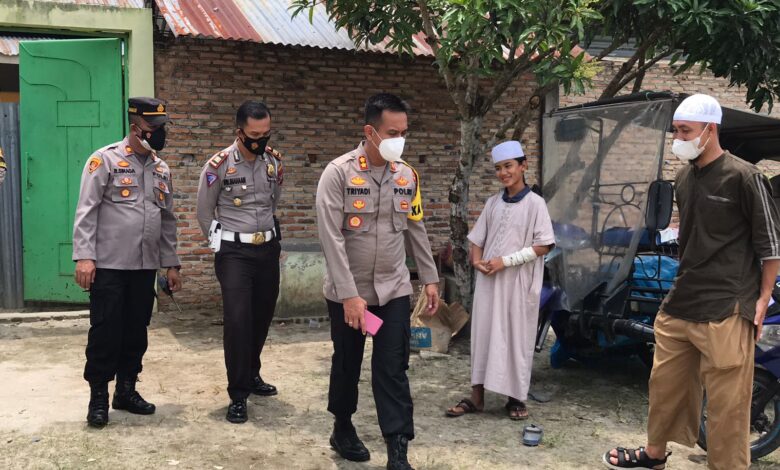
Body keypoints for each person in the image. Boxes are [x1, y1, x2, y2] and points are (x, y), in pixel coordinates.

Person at [603, 94, 780, 470]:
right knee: (665, 385)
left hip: (727, 305)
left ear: (710, 130)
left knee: (728, 403)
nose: (678, 138)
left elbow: (770, 246)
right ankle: (654, 455)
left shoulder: (745, 177)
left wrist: (763, 297)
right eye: (676, 131)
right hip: (682, 300)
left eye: (685, 131)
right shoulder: (684, 177)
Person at [316, 93, 440, 470]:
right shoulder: (338, 173)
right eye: (392, 133)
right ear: (370, 131)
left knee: (392, 366)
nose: (399, 140)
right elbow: (330, 238)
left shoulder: (406, 175)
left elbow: (415, 228)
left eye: (404, 133)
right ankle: (342, 428)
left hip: (393, 291)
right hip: (349, 295)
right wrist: (349, 295)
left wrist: (430, 278)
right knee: (347, 363)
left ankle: (398, 450)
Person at [72, 97, 182, 428]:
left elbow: (168, 221)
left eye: (163, 127)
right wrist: (85, 256)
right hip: (109, 266)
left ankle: (126, 390)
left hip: (144, 267)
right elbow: (86, 210)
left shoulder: (161, 169)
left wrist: (171, 264)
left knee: (136, 332)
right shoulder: (104, 160)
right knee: (105, 332)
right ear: (135, 127)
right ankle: (98, 397)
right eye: (153, 127)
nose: (159, 133)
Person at [445, 140, 554, 421]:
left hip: (519, 283)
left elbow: (544, 245)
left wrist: (505, 261)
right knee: (483, 333)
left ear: (523, 166)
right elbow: (477, 239)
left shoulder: (535, 204)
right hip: (490, 282)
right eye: (498, 168)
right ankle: (477, 396)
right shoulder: (493, 203)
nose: (503, 173)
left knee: (516, 336)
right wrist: (476, 261)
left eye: (508, 166)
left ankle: (515, 398)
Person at [196, 100, 283, 424]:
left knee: (261, 316)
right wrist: (220, 248)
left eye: (265, 133)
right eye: (254, 135)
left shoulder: (274, 162)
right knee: (237, 321)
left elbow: (273, 202)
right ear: (239, 132)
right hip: (234, 253)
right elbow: (204, 212)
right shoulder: (218, 165)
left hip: (267, 249)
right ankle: (238, 394)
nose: (260, 140)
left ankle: (252, 373)